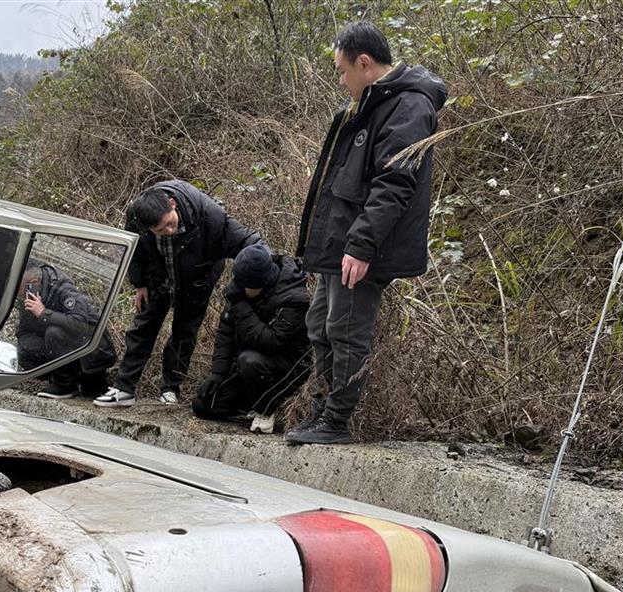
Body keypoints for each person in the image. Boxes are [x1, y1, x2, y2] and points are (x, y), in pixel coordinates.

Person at [286, 21, 447, 444]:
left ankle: (336, 422)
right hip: (338, 246)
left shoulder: (409, 105)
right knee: (320, 324)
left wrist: (360, 244)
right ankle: (321, 412)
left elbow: (394, 183)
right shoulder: (367, 106)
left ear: (364, 63)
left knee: (346, 329)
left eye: (342, 71)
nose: (341, 80)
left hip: (362, 249)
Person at [94, 179, 261, 407]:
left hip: (196, 277)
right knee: (143, 326)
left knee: (184, 331)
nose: (168, 232)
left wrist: (257, 276)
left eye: (169, 224)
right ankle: (124, 389)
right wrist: (140, 283)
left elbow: (249, 242)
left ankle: (171, 389)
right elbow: (134, 249)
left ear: (172, 204)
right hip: (158, 274)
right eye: (159, 230)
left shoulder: (208, 215)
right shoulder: (137, 215)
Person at [192, 244, 311, 433]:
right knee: (203, 405)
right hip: (250, 370)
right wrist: (218, 374)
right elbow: (226, 333)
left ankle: (266, 410)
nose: (238, 288)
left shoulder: (295, 299)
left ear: (260, 284)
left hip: (287, 368)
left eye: (243, 286)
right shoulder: (241, 291)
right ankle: (252, 403)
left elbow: (271, 342)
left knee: (249, 360)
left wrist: (240, 306)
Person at [16, 262, 116, 399]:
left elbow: (79, 323)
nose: (17, 292)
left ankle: (64, 385)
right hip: (67, 349)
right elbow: (23, 332)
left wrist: (44, 313)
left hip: (92, 351)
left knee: (53, 332)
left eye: (18, 287)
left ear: (34, 282)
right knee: (25, 348)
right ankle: (63, 380)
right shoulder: (30, 296)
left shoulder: (63, 288)